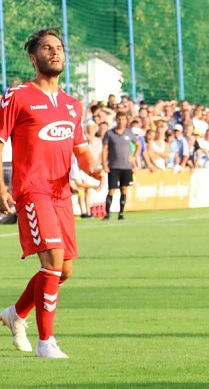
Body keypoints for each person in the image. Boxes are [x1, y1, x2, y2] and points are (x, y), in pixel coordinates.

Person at [0, 28, 103, 358]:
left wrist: (96, 169)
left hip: (61, 193)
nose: (55, 52)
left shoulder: (72, 105)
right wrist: (1, 186)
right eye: (47, 48)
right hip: (32, 190)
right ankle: (47, 341)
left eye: (58, 47)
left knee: (64, 271)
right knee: (53, 261)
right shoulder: (16, 96)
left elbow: (81, 151)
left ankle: (16, 314)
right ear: (33, 58)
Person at [102, 112, 135, 220]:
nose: (121, 121)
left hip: (126, 166)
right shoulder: (110, 133)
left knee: (124, 189)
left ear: (126, 121)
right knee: (111, 189)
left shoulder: (129, 133)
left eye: (123, 119)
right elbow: (105, 149)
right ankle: (107, 214)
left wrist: (133, 155)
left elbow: (138, 145)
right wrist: (104, 164)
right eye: (119, 119)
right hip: (114, 166)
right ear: (116, 120)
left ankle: (121, 213)